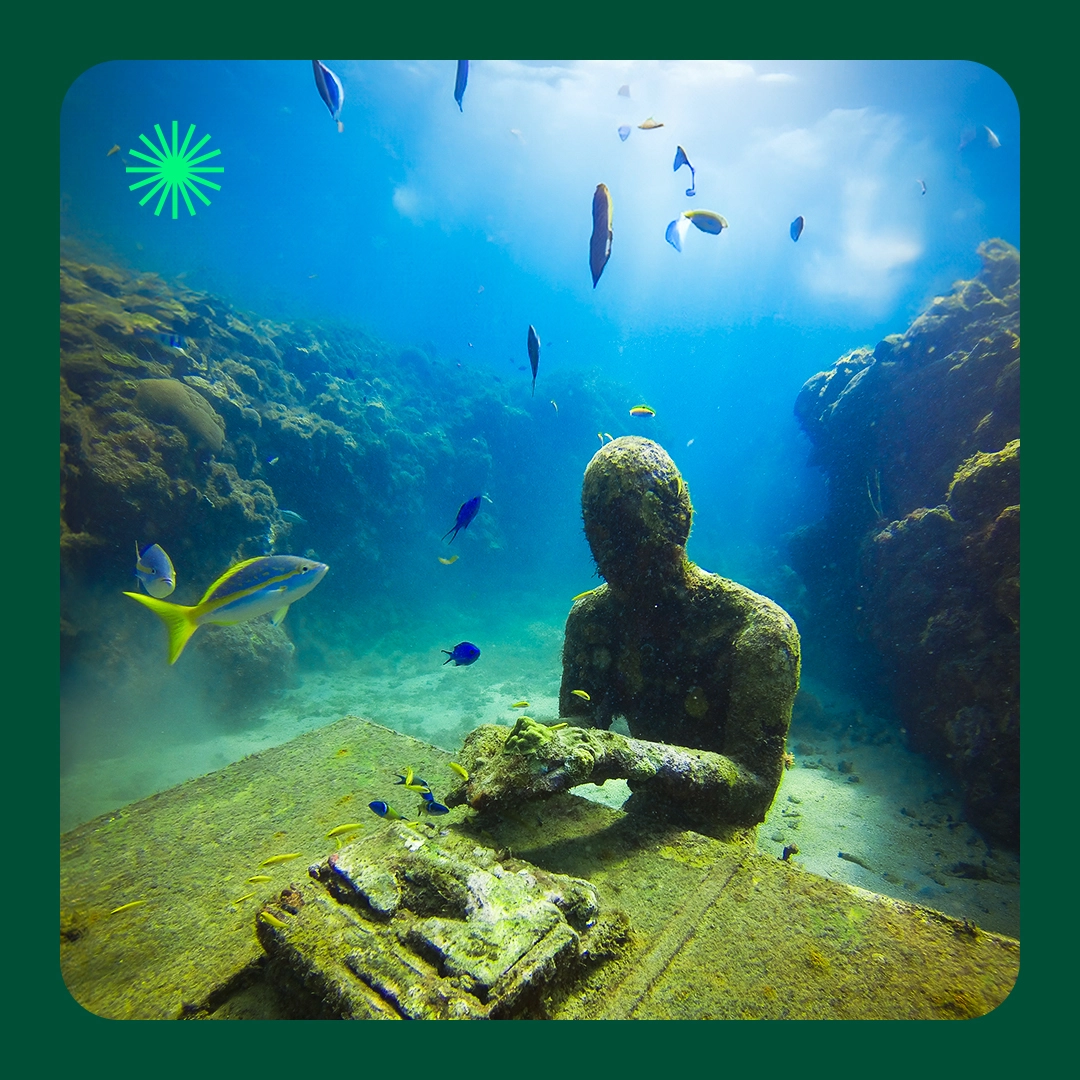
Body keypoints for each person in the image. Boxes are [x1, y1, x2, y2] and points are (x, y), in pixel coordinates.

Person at [559, 436, 801, 826]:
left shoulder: (758, 631)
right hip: (645, 811)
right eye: (597, 532)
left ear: (680, 520)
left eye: (626, 530)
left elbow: (753, 792)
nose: (610, 554)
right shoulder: (592, 620)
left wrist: (625, 756)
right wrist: (528, 744)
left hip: (719, 833)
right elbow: (580, 728)